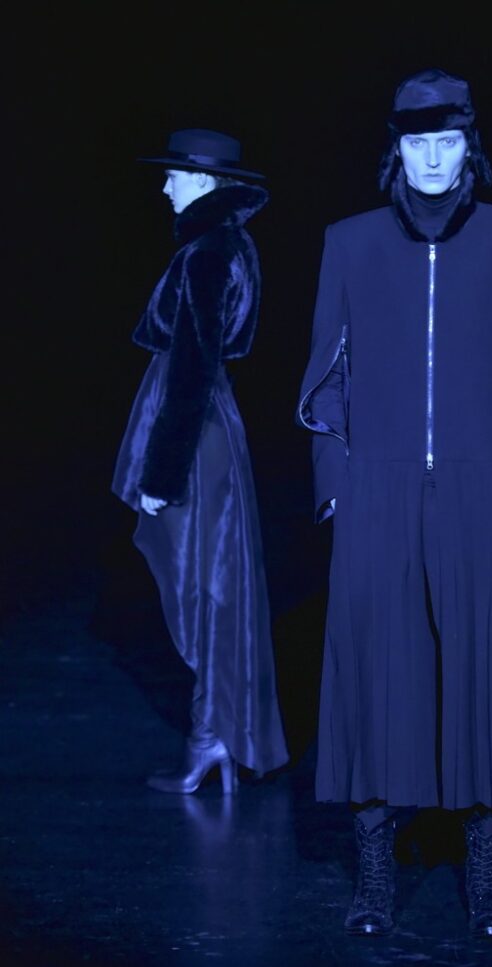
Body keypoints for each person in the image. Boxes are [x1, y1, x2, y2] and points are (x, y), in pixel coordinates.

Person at [296, 69, 492, 937]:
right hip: (374, 490)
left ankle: (485, 874)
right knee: (374, 676)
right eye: (416, 142)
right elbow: (325, 377)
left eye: (445, 141)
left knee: (487, 676)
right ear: (397, 147)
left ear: (467, 146)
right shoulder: (349, 243)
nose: (430, 158)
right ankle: (375, 877)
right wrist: (337, 487)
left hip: (478, 490)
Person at [112, 128, 288, 793]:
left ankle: (212, 737)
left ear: (205, 182)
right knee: (212, 583)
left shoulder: (206, 254)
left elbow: (191, 370)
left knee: (203, 586)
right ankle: (213, 735)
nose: (165, 187)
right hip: (213, 426)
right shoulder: (228, 244)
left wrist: (160, 475)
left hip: (195, 434)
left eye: (175, 176)